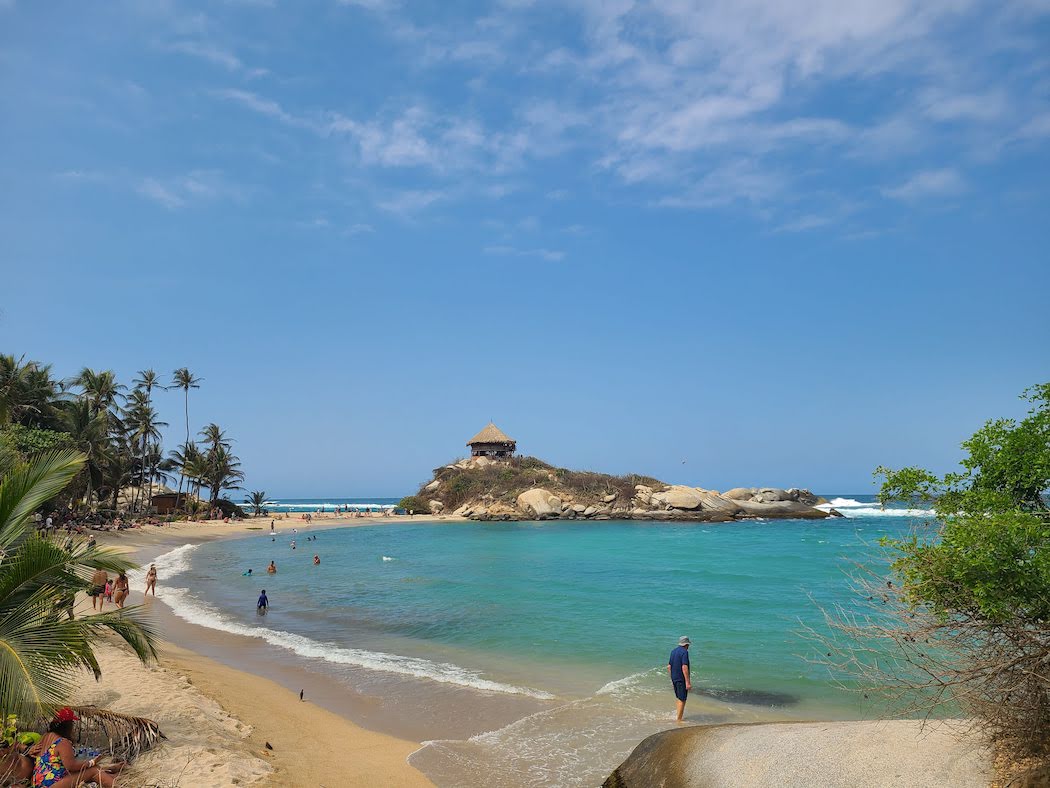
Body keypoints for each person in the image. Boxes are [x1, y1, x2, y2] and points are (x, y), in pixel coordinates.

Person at [30, 707, 125, 787]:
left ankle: (113, 775)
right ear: (67, 725)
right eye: (72, 723)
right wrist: (91, 762)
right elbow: (71, 766)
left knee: (90, 772)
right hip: (50, 784)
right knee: (93, 770)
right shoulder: (62, 742)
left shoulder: (45, 736)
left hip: (38, 782)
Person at [668, 636, 692, 722]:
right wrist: (687, 682)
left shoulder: (673, 651)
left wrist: (672, 678)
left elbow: (669, 666)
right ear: (686, 644)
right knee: (682, 699)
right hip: (681, 679)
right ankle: (679, 720)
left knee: (679, 698)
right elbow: (684, 667)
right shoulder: (684, 652)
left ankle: (678, 716)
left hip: (674, 678)